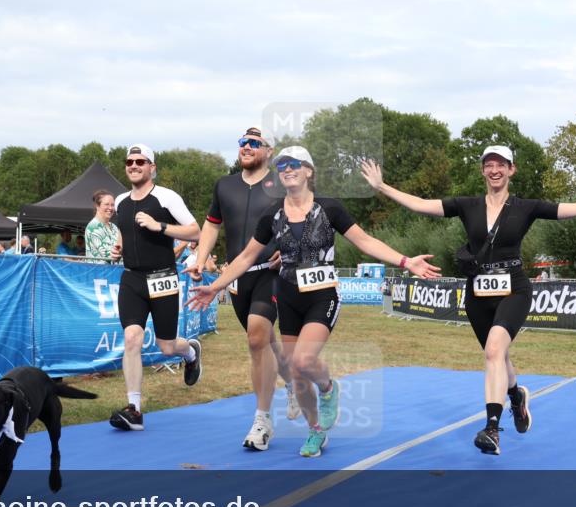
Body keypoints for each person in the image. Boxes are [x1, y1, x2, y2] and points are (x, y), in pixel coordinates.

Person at [360, 146, 576, 456]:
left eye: (501, 164)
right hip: (477, 293)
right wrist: (381, 186)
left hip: (514, 288)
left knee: (494, 350)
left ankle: (491, 429)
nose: (495, 170)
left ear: (512, 169)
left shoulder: (526, 207)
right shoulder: (467, 205)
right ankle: (515, 395)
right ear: (483, 171)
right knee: (498, 356)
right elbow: (420, 205)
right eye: (489, 164)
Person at [188, 146, 440, 458]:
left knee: (303, 361)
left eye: (294, 164)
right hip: (288, 298)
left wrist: (406, 261)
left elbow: (365, 241)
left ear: (309, 171)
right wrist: (216, 286)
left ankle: (328, 388)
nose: (287, 170)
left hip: (322, 296)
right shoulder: (273, 214)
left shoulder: (329, 208)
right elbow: (246, 257)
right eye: (282, 166)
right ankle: (315, 430)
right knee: (296, 375)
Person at [186, 126, 298, 452]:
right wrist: (200, 258)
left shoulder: (282, 184)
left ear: (269, 151)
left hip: (271, 274)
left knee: (256, 337)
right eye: (243, 142)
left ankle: (262, 420)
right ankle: (291, 379)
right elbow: (212, 225)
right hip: (236, 277)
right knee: (264, 340)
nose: (246, 147)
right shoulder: (225, 185)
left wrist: (290, 249)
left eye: (254, 143)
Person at [108, 144, 204, 432]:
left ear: (152, 167)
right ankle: (134, 410)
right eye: (129, 161)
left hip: (162, 277)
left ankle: (190, 352)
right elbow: (125, 232)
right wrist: (118, 249)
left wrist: (159, 226)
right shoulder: (121, 201)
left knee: (166, 346)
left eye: (140, 161)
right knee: (132, 338)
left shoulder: (166, 197)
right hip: (132, 279)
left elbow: (196, 231)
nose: (133, 166)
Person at [85, 190, 122, 263]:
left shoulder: (113, 226)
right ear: (97, 206)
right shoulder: (93, 227)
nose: (110, 208)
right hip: (99, 269)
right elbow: (108, 254)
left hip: (115, 268)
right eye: (106, 204)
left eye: (112, 205)